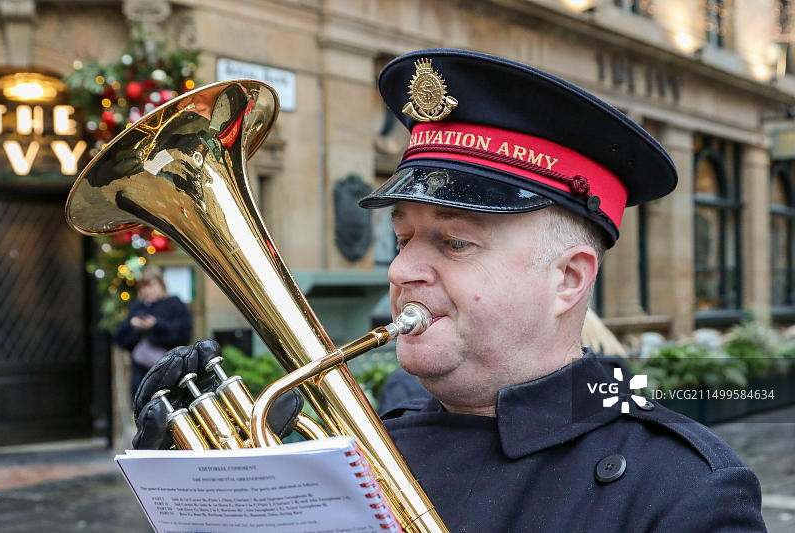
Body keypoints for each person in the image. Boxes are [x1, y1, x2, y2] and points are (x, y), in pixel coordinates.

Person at [132, 49, 766, 532]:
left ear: (568, 279)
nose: (403, 269)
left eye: (454, 243)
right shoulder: (364, 452)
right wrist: (220, 498)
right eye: (404, 238)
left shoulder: (686, 490)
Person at [114, 266, 193, 399]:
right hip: (142, 377)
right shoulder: (137, 307)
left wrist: (155, 325)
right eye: (144, 287)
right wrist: (133, 326)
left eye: (152, 285)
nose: (148, 290)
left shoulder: (174, 304)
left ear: (161, 285)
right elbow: (120, 339)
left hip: (170, 374)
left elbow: (183, 335)